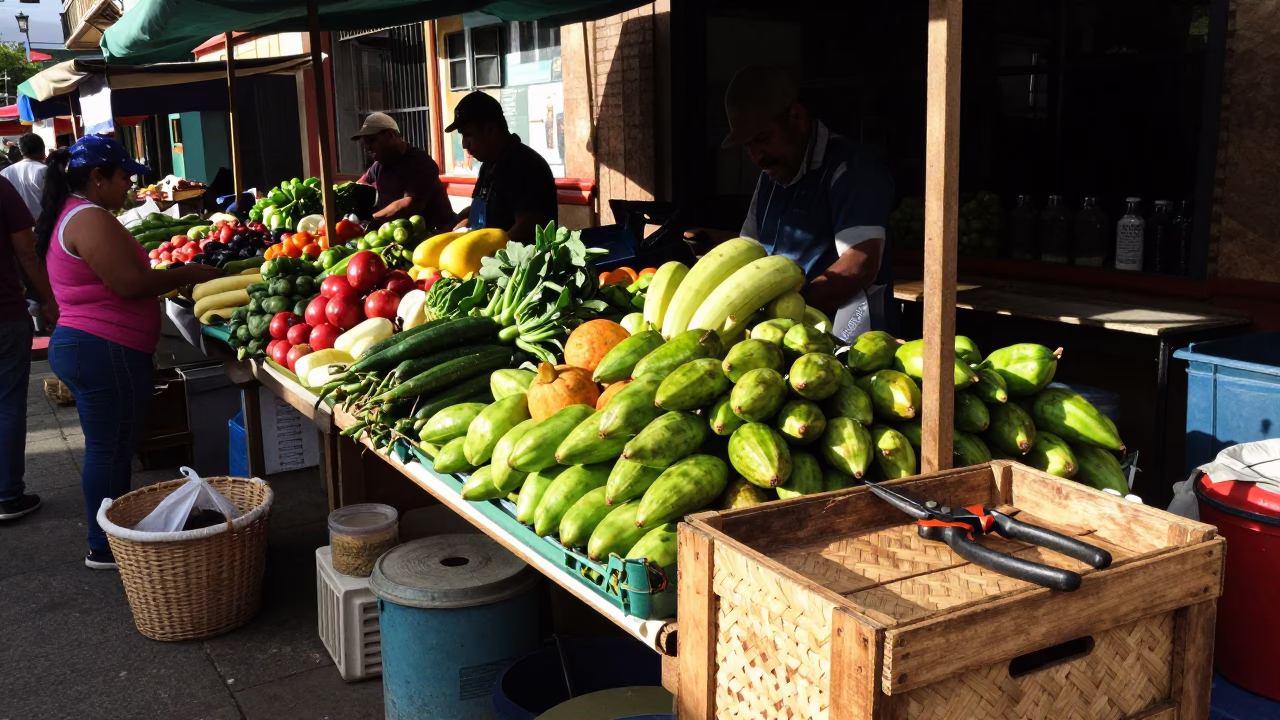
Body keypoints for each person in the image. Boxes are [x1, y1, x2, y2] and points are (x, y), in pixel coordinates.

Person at [39, 135, 222, 569]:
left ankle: (109, 538)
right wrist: (188, 271)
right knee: (109, 451)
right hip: (104, 349)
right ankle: (105, 546)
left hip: (92, 346)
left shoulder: (75, 213)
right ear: (97, 178)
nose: (130, 187)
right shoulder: (89, 218)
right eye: (124, 178)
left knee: (110, 448)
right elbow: (131, 285)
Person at [690, 66, 895, 339]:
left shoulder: (851, 169)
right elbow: (748, 249)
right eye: (748, 146)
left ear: (796, 117)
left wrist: (782, 313)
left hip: (845, 338)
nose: (756, 156)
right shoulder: (770, 177)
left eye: (762, 139)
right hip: (781, 335)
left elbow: (859, 264)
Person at [0, 175, 58, 522]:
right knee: (7, 403)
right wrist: (48, 298)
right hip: (4, 314)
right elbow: (26, 249)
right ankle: (7, 494)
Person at [447, 91, 557, 244]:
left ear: (490, 130)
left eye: (468, 135)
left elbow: (529, 227)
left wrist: (486, 253)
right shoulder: (489, 164)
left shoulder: (525, 166)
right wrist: (449, 231)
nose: (465, 145)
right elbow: (477, 210)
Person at [352, 112, 455, 232]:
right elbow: (358, 186)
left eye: (372, 141)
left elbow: (410, 204)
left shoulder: (418, 162)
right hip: (394, 234)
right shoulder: (379, 166)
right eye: (366, 144)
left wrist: (372, 220)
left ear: (390, 135)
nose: (368, 148)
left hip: (432, 235)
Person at [3, 133, 49, 221]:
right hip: (44, 225)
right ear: (42, 149)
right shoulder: (43, 170)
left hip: (17, 227)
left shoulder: (4, 173)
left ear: (21, 151)